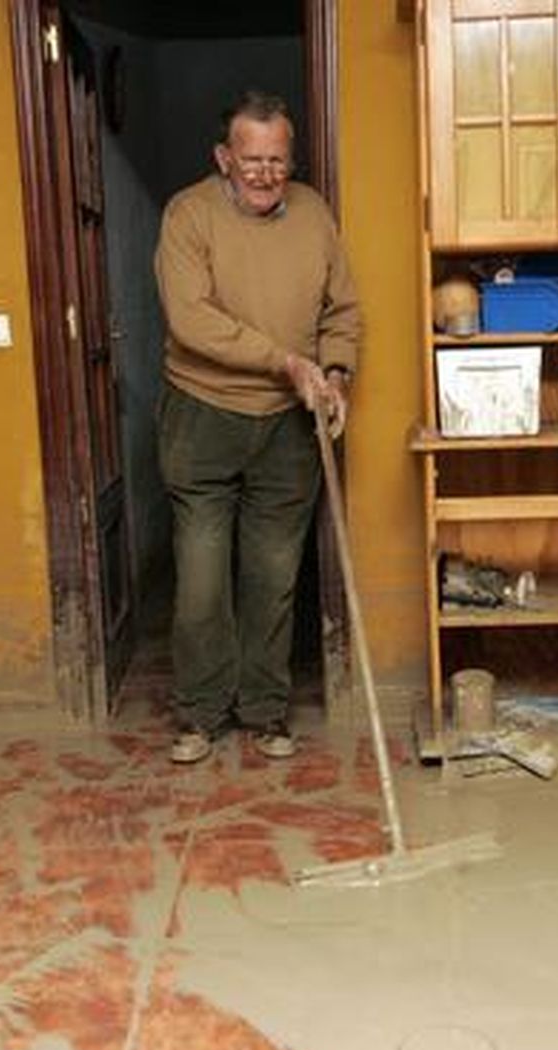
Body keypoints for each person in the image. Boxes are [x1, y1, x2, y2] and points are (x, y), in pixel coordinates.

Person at [154, 90, 361, 764]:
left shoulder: (314, 215)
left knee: (273, 576)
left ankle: (266, 711)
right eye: (252, 161)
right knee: (201, 582)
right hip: (203, 412)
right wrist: (285, 361)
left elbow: (343, 309)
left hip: (288, 423)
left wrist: (334, 373)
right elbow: (192, 320)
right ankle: (200, 714)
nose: (268, 174)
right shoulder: (189, 215)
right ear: (223, 157)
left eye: (279, 160)